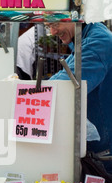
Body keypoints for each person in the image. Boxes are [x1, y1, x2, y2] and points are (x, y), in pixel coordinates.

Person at [48, 21, 112, 172]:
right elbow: (67, 73)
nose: (52, 32)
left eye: (54, 24)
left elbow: (66, 85)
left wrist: (28, 91)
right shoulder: (87, 36)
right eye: (47, 26)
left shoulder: (97, 43)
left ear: (76, 17)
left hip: (105, 148)